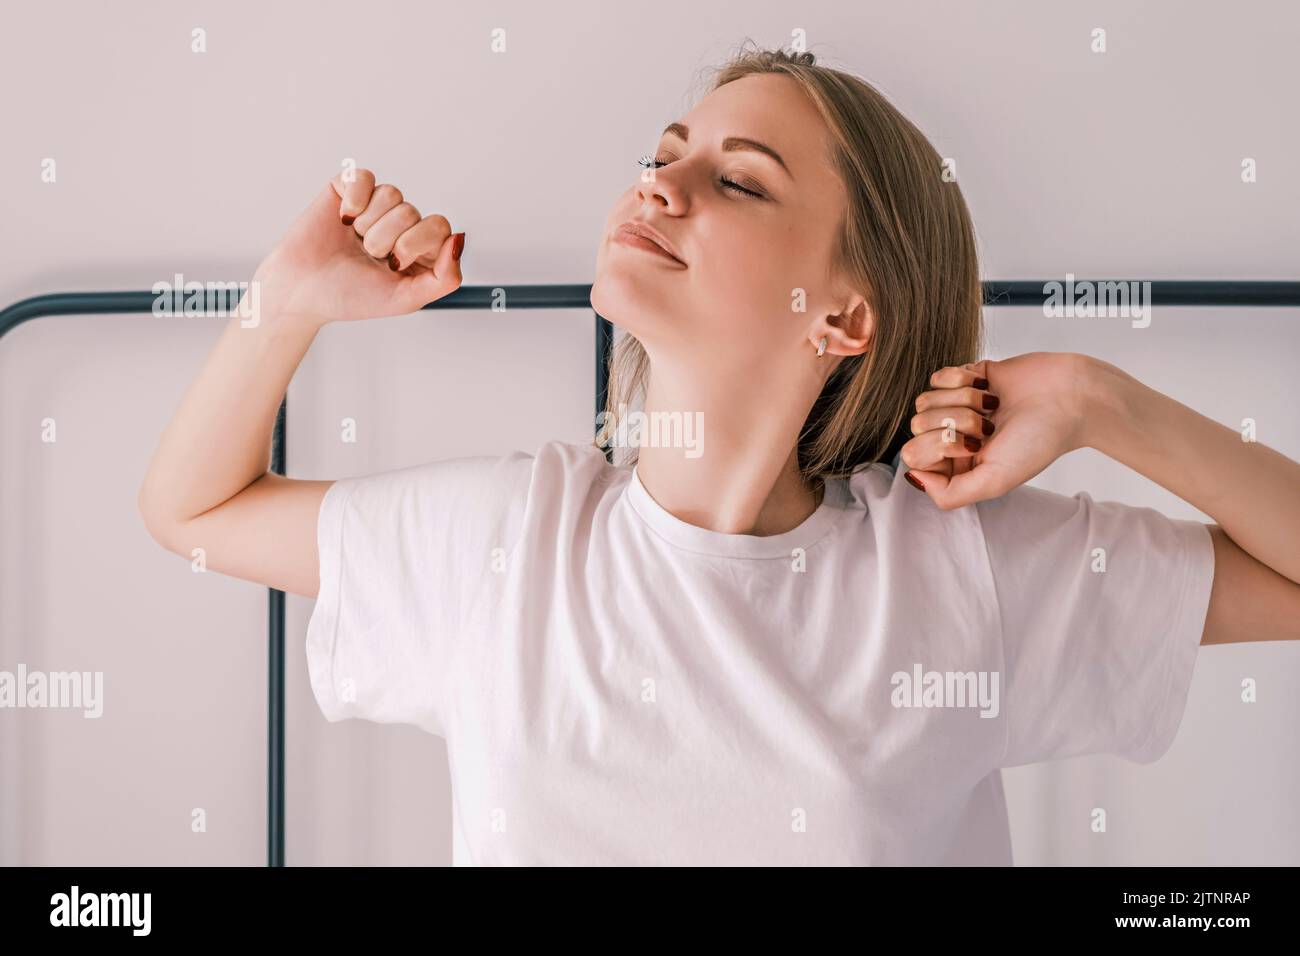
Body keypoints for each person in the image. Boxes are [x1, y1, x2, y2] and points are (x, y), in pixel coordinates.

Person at [137, 45, 1300, 865]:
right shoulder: (506, 541)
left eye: (738, 180)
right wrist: (284, 306)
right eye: (666, 152)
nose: (659, 182)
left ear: (843, 318)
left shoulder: (955, 572)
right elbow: (194, 510)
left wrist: (1101, 402)